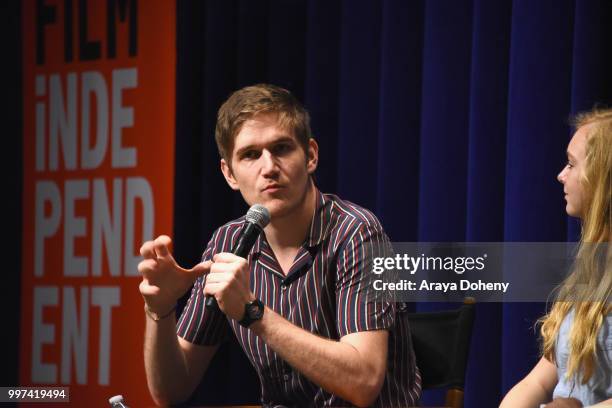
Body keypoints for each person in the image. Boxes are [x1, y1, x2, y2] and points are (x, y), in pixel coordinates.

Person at [138, 84, 421, 407]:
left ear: (311, 155)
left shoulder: (357, 233)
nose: (269, 167)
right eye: (250, 155)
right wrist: (160, 310)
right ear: (229, 174)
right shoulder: (228, 243)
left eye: (282, 148)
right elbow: (170, 391)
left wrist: (252, 312)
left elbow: (364, 382)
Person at [500, 107, 612, 408]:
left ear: (601, 178)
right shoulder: (592, 268)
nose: (561, 175)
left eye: (571, 164)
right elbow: (539, 380)